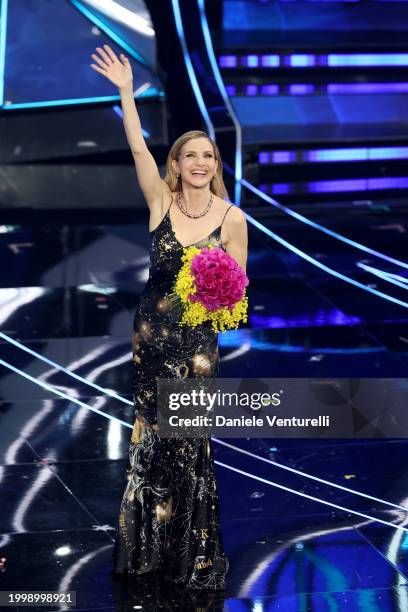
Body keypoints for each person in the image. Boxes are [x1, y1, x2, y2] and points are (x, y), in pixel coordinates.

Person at [90, 45, 248, 590]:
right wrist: (127, 93)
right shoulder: (160, 201)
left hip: (197, 345)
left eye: (209, 156)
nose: (200, 163)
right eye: (190, 155)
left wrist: (215, 294)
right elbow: (136, 148)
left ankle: (193, 555)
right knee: (151, 440)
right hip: (151, 338)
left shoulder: (232, 218)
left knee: (189, 444)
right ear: (176, 164)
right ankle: (149, 550)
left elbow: (237, 299)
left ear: (215, 165)